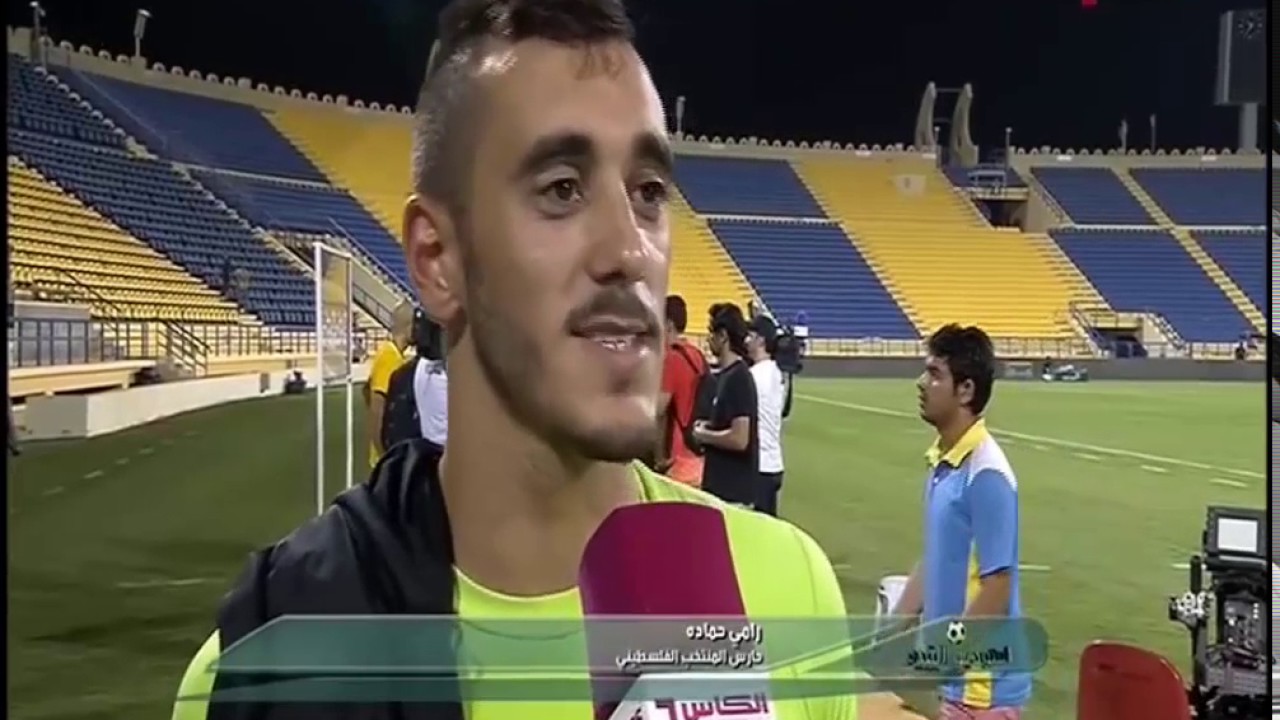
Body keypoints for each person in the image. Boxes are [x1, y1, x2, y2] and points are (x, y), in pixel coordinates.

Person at [171, 2, 853, 720]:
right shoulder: (265, 668)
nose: (631, 250)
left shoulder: (786, 590)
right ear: (438, 259)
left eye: (649, 193)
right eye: (561, 189)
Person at [891, 324, 1029, 720]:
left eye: (935, 374)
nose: (922, 383)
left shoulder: (986, 474)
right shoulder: (944, 462)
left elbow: (997, 587)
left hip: (982, 690)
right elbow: (938, 555)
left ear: (965, 390)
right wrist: (890, 631)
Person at [694, 303, 758, 507]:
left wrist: (703, 435)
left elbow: (740, 439)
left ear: (723, 336)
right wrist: (708, 425)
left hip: (732, 495)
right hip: (719, 491)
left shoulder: (739, 378)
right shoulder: (725, 376)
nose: (708, 339)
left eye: (711, 333)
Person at [653, 294, 708, 485]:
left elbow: (657, 410)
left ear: (668, 325)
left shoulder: (672, 359)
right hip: (697, 453)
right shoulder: (697, 356)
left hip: (677, 460)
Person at [365, 300, 415, 468]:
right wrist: (384, 456)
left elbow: (366, 391)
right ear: (408, 326)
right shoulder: (389, 357)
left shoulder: (394, 355)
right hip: (386, 458)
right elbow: (377, 408)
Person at [746, 314, 786, 516]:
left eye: (750, 336)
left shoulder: (753, 376)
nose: (746, 341)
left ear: (760, 340)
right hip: (774, 463)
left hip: (758, 464)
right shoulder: (777, 372)